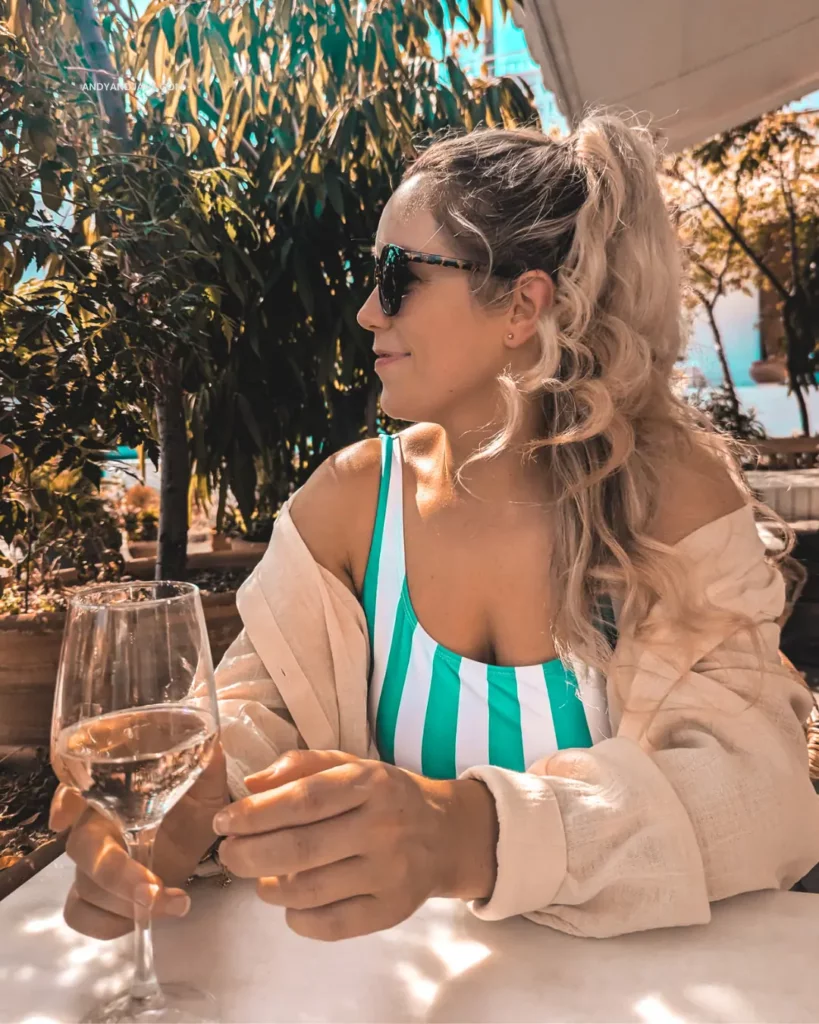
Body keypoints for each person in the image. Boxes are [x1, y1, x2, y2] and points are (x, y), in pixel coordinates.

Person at [51, 114, 819, 943]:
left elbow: (763, 792)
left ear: (523, 305)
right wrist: (198, 804)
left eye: (396, 275)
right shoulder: (349, 502)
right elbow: (258, 707)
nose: (364, 312)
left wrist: (463, 833)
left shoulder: (667, 499)